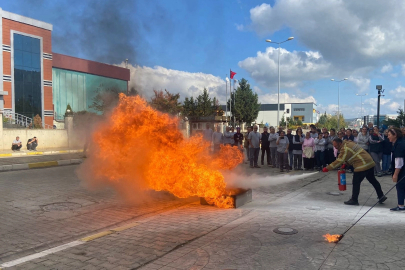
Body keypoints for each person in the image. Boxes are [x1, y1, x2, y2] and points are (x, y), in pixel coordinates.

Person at [322, 138, 387, 206]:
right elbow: (352, 155)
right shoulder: (349, 143)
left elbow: (339, 160)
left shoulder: (345, 148)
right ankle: (381, 196)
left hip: (362, 164)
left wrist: (327, 168)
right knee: (373, 180)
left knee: (356, 182)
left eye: (336, 146)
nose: (335, 147)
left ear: (340, 143)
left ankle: (354, 200)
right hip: (369, 162)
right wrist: (346, 164)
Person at [387, 127, 405, 211]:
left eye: (389, 135)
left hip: (402, 170)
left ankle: (400, 205)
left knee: (400, 186)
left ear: (395, 135)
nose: (388, 137)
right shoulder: (399, 142)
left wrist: (395, 174)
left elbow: (399, 161)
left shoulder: (400, 144)